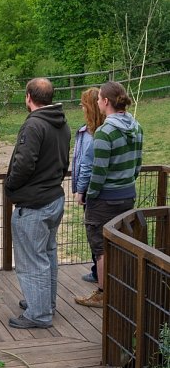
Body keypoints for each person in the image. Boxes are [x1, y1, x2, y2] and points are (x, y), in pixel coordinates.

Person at [5, 78, 70, 329]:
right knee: (47, 254)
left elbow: (24, 163)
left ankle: (39, 314)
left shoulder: (34, 125)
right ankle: (44, 303)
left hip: (34, 204)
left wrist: (10, 186)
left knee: (32, 259)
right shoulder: (61, 123)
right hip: (54, 197)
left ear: (29, 97)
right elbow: (63, 161)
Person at [75, 81, 143, 308]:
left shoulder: (105, 131)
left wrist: (89, 195)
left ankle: (103, 294)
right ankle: (123, 290)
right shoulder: (136, 126)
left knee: (101, 248)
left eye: (98, 99)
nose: (96, 103)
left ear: (105, 102)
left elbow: (99, 171)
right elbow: (137, 165)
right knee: (122, 243)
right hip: (127, 195)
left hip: (105, 199)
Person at [72, 88, 105, 283]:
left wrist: (80, 190)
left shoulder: (93, 134)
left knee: (96, 236)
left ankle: (99, 276)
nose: (81, 108)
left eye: (84, 104)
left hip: (93, 192)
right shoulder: (89, 130)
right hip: (95, 191)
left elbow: (86, 165)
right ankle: (97, 270)